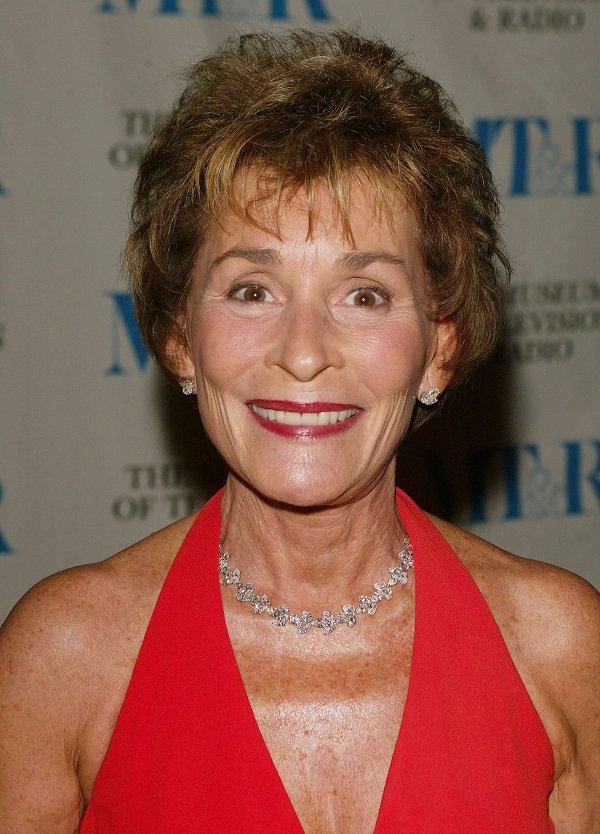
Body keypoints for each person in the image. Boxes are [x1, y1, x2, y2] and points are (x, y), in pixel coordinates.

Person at [1, 30, 599, 834]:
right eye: (252, 289)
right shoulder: (62, 659)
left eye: (365, 295)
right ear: (180, 336)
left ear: (439, 346)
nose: (305, 353)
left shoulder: (562, 646)